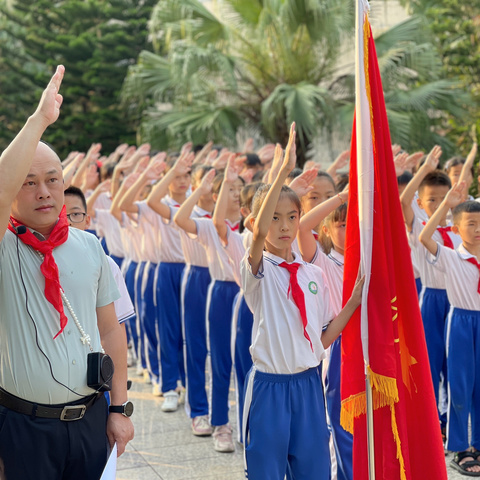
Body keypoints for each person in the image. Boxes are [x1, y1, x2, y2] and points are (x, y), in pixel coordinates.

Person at [0, 66, 134, 479]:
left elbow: (111, 331)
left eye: (52, 180)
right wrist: (38, 121)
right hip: (24, 426)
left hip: (90, 421)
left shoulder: (88, 245)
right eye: (28, 182)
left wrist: (119, 408)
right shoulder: (4, 246)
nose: (43, 190)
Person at [241, 124, 363, 479]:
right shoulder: (260, 267)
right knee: (266, 471)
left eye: (292, 217)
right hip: (269, 388)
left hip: (309, 385)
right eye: (275, 218)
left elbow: (324, 337)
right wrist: (281, 174)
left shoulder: (311, 273)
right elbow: (259, 234)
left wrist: (353, 303)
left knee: (314, 470)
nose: (284, 226)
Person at [419, 182, 480, 477]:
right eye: (471, 223)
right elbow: (424, 236)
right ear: (456, 229)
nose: (478, 229)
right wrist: (447, 205)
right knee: (459, 385)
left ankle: (478, 444)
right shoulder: (451, 257)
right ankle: (459, 446)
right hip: (461, 324)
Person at [400, 145, 462, 436]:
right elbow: (402, 202)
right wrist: (423, 170)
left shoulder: (461, 226)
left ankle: (452, 419)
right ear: (421, 203)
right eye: (431, 200)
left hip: (458, 301)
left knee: (456, 365)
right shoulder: (420, 225)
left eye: (443, 199)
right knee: (429, 362)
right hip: (430, 299)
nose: (438, 204)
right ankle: (430, 421)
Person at [64, 185, 135, 329]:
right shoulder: (41, 261)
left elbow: (116, 327)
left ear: (87, 221)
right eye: (61, 216)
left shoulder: (106, 264)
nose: (69, 222)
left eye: (76, 214)